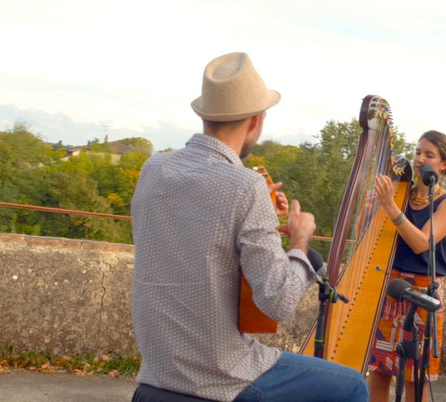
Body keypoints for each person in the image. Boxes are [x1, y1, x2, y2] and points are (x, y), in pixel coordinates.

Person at [131, 52, 369, 402]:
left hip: (158, 371)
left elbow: (197, 240)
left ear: (205, 115)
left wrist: (263, 226)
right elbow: (277, 301)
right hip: (222, 375)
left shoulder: (153, 170)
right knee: (352, 386)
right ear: (256, 121)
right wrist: (300, 238)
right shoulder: (245, 186)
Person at [366, 130, 446, 402]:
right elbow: (374, 237)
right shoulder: (399, 194)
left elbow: (421, 243)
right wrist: (369, 210)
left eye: (429, 155)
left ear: (444, 164)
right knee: (380, 369)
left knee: (413, 377)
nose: (420, 159)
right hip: (390, 286)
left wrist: (390, 208)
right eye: (418, 152)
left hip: (422, 293)